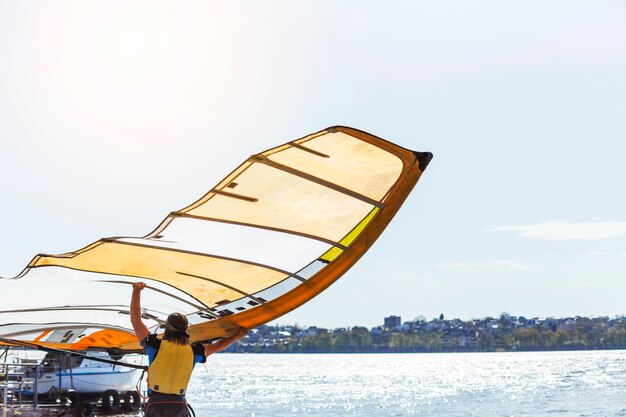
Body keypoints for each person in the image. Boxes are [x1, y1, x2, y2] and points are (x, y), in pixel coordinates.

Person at [130, 281, 247, 417]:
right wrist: (237, 335)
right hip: (179, 406)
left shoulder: (154, 344)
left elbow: (135, 321)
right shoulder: (195, 351)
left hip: (156, 405)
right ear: (185, 330)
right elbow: (217, 346)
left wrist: (136, 291)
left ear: (166, 327)